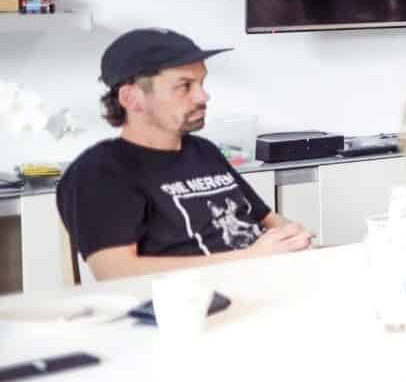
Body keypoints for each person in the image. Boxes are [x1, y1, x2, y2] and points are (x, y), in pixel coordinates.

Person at [57, 28, 314, 280]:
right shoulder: (100, 171)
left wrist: (298, 241)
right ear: (131, 97)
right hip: (194, 307)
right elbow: (115, 272)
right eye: (184, 86)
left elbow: (267, 219)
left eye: (201, 83)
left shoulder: (204, 151)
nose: (204, 96)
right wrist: (252, 259)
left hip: (270, 283)